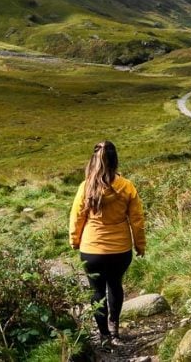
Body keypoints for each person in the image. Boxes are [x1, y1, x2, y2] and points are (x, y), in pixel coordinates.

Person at [69, 140, 146, 344]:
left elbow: (77, 217)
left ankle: (103, 335)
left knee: (96, 290)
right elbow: (137, 220)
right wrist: (140, 245)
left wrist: (74, 240)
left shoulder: (86, 187)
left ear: (94, 160)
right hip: (120, 250)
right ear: (115, 161)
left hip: (91, 249)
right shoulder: (127, 187)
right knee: (115, 286)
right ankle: (114, 328)